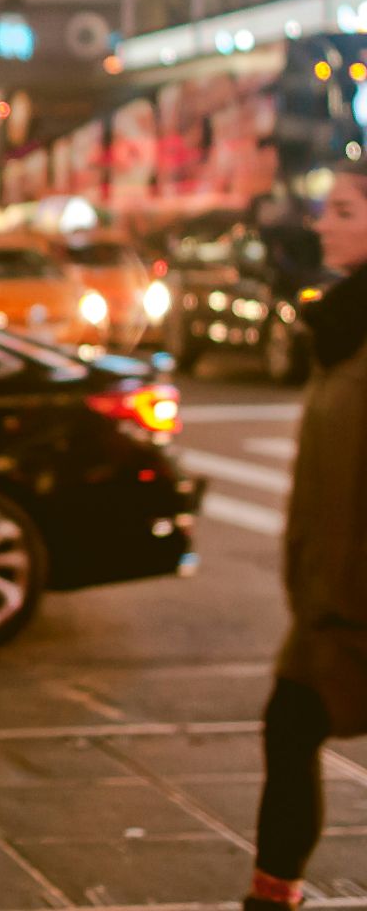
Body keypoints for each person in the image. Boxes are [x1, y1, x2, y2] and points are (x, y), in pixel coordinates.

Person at [245, 166, 367, 911]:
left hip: (357, 600)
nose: (323, 224)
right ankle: (270, 894)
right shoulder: (343, 326)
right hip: (333, 600)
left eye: (345, 211)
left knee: (290, 727)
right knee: (288, 728)